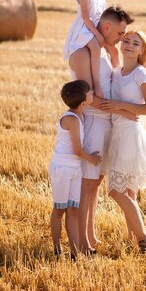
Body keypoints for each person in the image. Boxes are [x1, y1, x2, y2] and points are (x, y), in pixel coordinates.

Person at [69, 5, 134, 253]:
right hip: (94, 122)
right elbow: (88, 98)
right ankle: (83, 243)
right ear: (106, 27)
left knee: (96, 183)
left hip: (106, 123)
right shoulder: (83, 54)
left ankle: (91, 235)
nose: (121, 38)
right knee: (87, 185)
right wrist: (120, 110)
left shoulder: (104, 51)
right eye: (119, 33)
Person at [99, 30, 146, 254]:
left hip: (130, 135)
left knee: (115, 192)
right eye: (126, 40)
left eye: (135, 43)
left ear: (141, 51)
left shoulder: (141, 74)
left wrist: (120, 106)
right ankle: (133, 241)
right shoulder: (117, 72)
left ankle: (144, 237)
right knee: (129, 192)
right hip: (118, 133)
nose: (128, 45)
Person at [48, 79, 102, 259]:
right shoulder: (71, 118)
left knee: (73, 210)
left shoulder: (80, 115)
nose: (92, 93)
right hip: (62, 169)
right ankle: (56, 248)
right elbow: (77, 150)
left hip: (75, 170)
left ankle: (74, 251)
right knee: (59, 209)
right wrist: (92, 159)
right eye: (89, 92)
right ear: (83, 101)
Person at [63, 0, 112, 99]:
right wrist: (97, 34)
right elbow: (86, 18)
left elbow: (102, 13)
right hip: (85, 28)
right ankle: (96, 83)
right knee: (96, 47)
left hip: (96, 26)